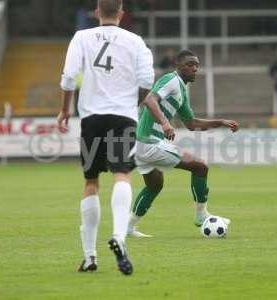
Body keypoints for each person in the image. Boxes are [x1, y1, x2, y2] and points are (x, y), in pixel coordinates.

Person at [57, 0, 173, 276]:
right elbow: (147, 81)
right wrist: (128, 105)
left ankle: (89, 257)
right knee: (122, 174)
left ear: (97, 13)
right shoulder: (136, 42)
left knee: (91, 182)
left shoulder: (81, 37)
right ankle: (119, 237)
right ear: (122, 13)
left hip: (91, 118)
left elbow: (69, 77)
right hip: (122, 118)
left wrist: (64, 109)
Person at [127, 50, 239, 238]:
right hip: (149, 142)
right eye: (189, 64)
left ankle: (127, 227)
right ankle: (201, 215)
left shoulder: (181, 91)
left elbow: (191, 123)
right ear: (178, 66)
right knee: (200, 166)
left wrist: (219, 122)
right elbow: (149, 99)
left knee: (155, 185)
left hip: (140, 144)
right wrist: (165, 123)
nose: (195, 68)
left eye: (196, 65)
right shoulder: (170, 80)